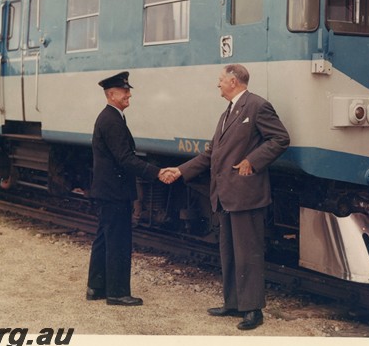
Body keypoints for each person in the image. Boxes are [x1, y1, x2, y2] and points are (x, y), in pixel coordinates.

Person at [162, 64, 290, 330]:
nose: (217, 84)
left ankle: (253, 310)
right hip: (226, 194)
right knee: (229, 252)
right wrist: (181, 170)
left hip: (246, 193)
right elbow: (212, 155)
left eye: (220, 80)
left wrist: (252, 161)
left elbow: (280, 139)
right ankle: (233, 304)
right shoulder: (227, 113)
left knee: (248, 253)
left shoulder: (257, 106)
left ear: (233, 81)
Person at [86, 71, 171, 306]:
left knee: (104, 238)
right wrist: (156, 172)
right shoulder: (111, 120)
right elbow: (125, 158)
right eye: (124, 91)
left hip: (108, 190)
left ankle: (96, 287)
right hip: (114, 192)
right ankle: (117, 293)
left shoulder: (111, 117)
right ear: (111, 94)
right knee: (118, 241)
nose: (129, 94)